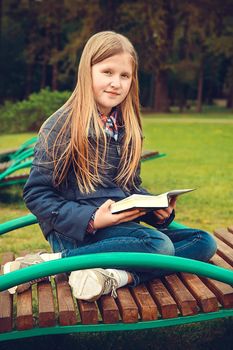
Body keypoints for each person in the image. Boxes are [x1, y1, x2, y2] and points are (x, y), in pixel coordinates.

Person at [3, 31, 217, 301]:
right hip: (76, 233)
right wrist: (92, 220)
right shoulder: (61, 126)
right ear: (87, 72)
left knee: (203, 241)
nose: (116, 83)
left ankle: (113, 276)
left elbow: (129, 187)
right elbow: (36, 195)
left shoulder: (128, 128)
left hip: (119, 231)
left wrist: (156, 210)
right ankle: (50, 264)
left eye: (124, 76)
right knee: (158, 244)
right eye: (107, 72)